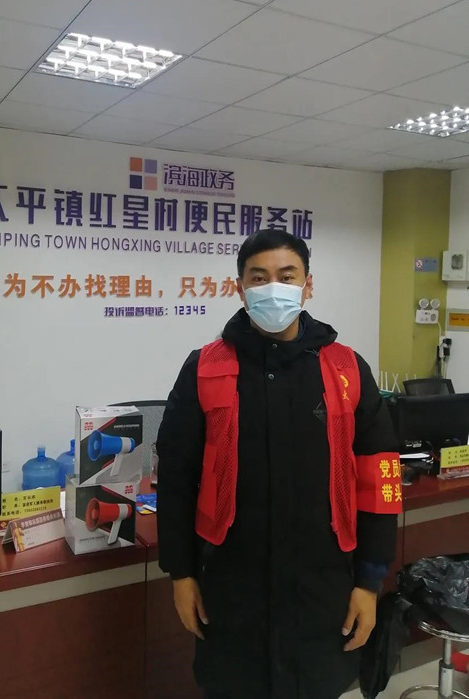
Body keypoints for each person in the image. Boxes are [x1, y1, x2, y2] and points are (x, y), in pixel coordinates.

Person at [156, 229, 403, 699]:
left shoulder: (347, 370)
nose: (273, 288)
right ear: (240, 288)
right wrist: (181, 574)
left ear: (308, 285)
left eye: (286, 276)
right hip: (231, 590)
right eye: (259, 277)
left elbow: (379, 477)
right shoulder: (205, 368)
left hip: (324, 590)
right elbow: (175, 479)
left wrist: (370, 583)